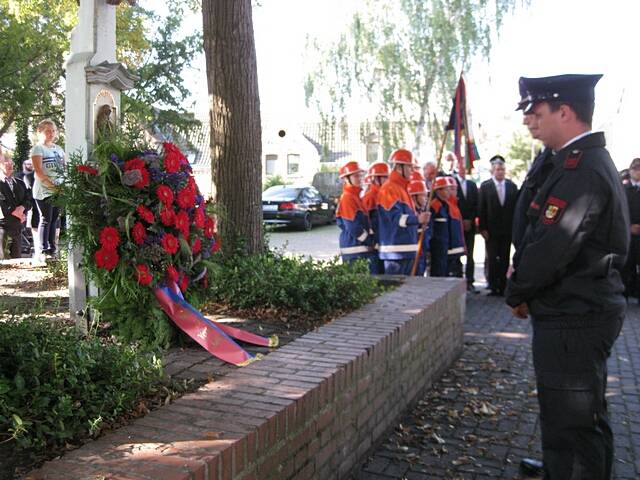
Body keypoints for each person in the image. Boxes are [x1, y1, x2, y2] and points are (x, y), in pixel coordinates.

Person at [506, 74, 628, 480]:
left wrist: (517, 289)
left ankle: (574, 470)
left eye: (536, 112)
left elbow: (554, 244)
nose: (528, 121)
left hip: (576, 313)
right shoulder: (563, 160)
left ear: (565, 111)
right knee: (565, 413)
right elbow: (533, 222)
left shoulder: (584, 170)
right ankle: (562, 466)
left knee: (577, 420)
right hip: (568, 308)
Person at [377, 149, 429, 275]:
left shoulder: (402, 189)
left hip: (405, 251)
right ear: (399, 167)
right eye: (410, 167)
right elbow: (396, 218)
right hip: (395, 253)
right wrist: (417, 219)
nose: (412, 171)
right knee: (396, 292)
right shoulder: (389, 189)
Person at [479, 156, 518, 295]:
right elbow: (481, 208)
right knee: (492, 258)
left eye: (502, 169)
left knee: (504, 257)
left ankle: (503, 285)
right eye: (497, 169)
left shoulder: (512, 186)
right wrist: (482, 228)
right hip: (491, 230)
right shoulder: (485, 186)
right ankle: (492, 285)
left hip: (507, 230)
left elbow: (516, 209)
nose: (500, 172)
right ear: (492, 171)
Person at [31, 119, 65, 259]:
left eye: (53, 131)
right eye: (48, 131)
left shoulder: (58, 149)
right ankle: (43, 249)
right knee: (46, 218)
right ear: (40, 132)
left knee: (55, 218)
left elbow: (63, 168)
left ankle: (52, 248)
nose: (51, 133)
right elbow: (39, 171)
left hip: (58, 189)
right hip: (44, 190)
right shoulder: (38, 148)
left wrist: (63, 185)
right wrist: (53, 185)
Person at [336, 161, 374, 269]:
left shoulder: (356, 197)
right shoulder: (348, 198)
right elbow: (353, 227)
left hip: (358, 249)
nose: (360, 178)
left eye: (361, 175)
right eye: (356, 176)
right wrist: (370, 241)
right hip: (354, 250)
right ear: (346, 179)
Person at [452, 168, 479, 290]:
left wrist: (470, 219)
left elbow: (476, 204)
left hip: (470, 225)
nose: (463, 171)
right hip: (458, 224)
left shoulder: (472, 185)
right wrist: (461, 220)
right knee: (457, 253)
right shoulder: (452, 183)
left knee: (470, 253)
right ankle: (458, 278)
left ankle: (470, 280)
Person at [0, 151, 30, 259]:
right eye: (6, 162)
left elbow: (28, 199)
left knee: (17, 259)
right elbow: (2, 203)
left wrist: (22, 209)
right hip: (3, 226)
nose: (10, 165)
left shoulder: (20, 183)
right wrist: (17, 213)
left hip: (17, 227)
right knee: (3, 259)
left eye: (11, 162)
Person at [362, 162, 389, 274]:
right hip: (374, 246)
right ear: (375, 178)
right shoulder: (369, 197)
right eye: (385, 177)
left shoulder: (386, 195)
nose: (388, 180)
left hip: (383, 243)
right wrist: (371, 241)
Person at [623, 158, 640, 302]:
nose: (637, 171)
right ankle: (625, 293)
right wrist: (628, 226)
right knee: (627, 265)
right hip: (627, 234)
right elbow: (619, 211)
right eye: (635, 168)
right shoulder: (623, 189)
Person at [407, 179, 432, 276]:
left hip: (423, 252)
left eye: (426, 195)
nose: (426, 198)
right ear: (414, 197)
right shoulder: (412, 214)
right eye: (423, 195)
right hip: (415, 253)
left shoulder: (423, 212)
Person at [429, 176, 452, 277]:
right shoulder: (434, 205)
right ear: (438, 191)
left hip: (444, 242)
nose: (449, 192)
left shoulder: (445, 204)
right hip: (436, 243)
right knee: (438, 269)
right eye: (446, 189)